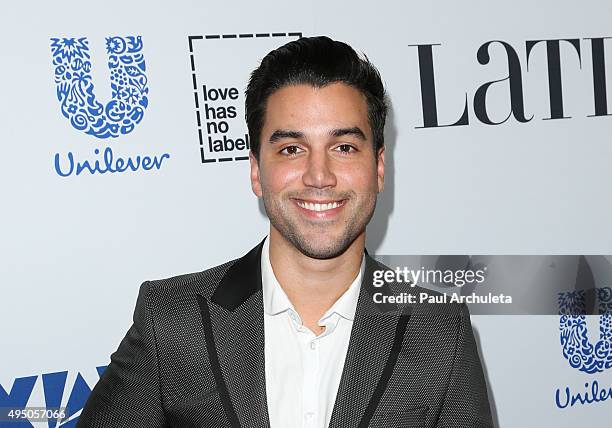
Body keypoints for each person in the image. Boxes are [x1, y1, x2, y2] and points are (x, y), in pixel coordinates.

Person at [78, 36, 493, 428]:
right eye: (291, 148)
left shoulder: (439, 330)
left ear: (379, 167)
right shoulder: (171, 320)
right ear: (257, 171)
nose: (319, 176)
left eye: (344, 147)